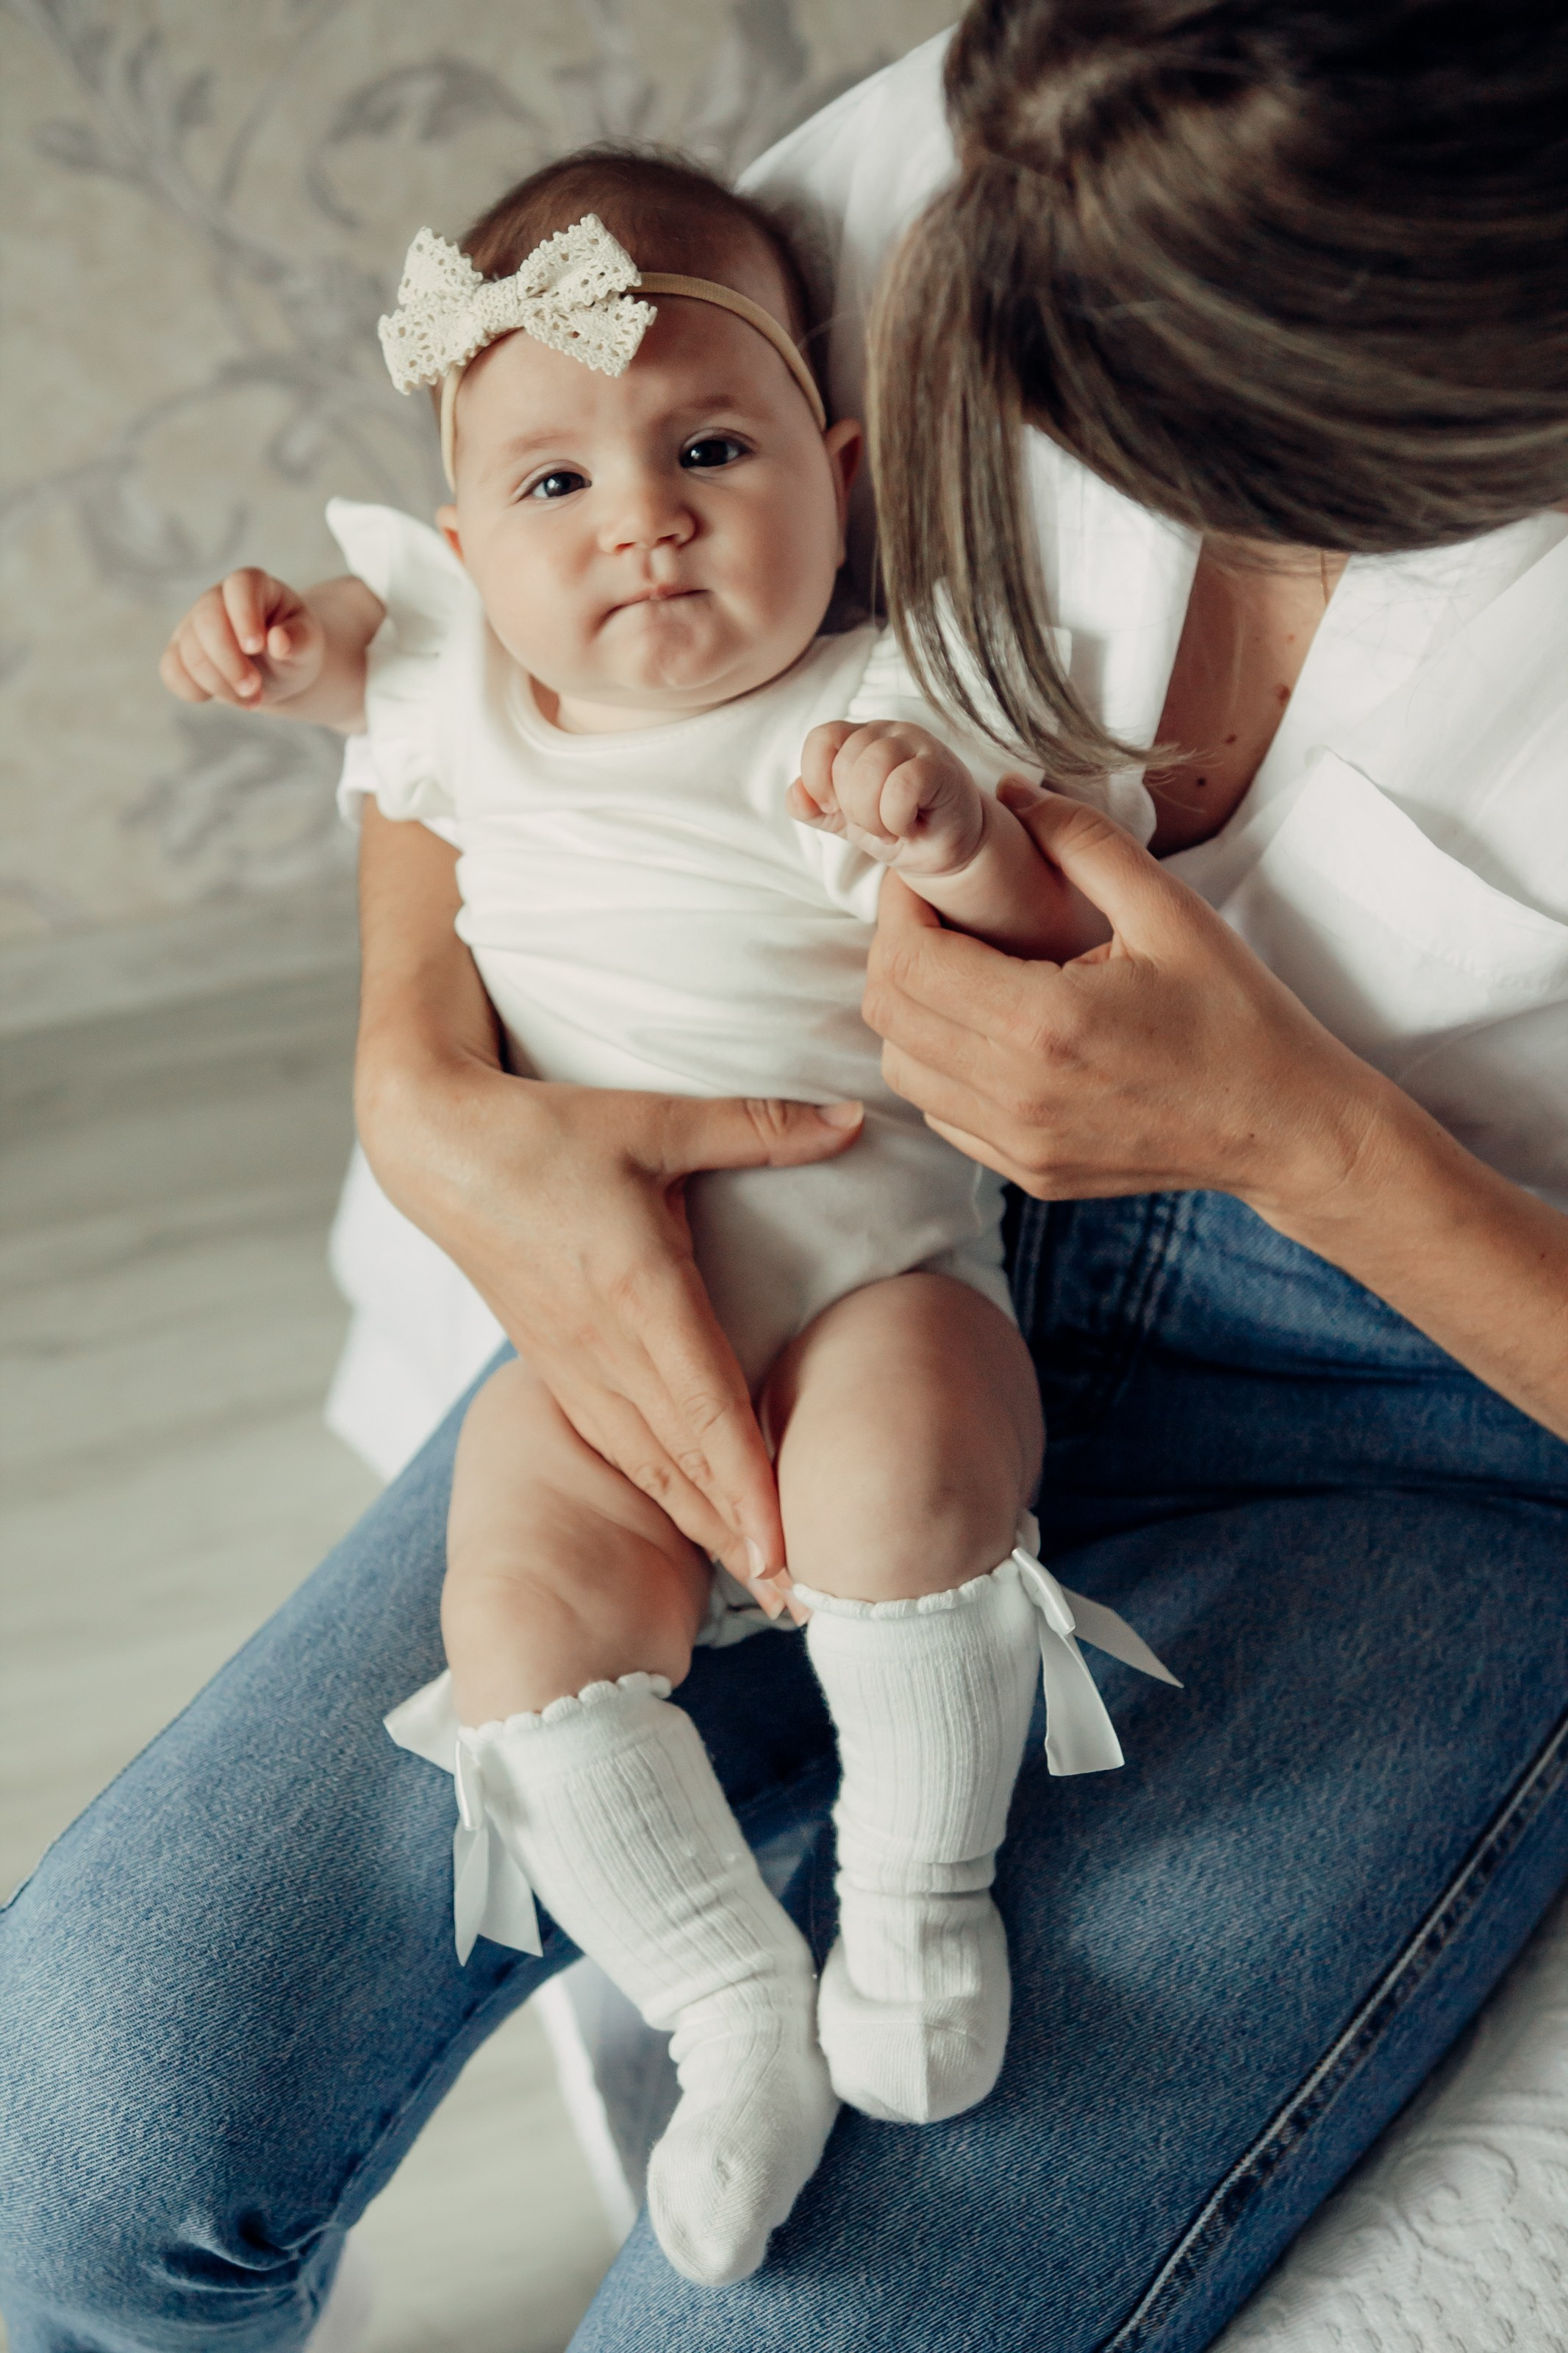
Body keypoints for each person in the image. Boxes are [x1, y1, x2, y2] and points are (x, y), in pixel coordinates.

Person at [2, 5, 1566, 2349]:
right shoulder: (1032, 140)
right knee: (90, 2112)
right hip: (816, 1218)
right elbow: (497, 686)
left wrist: (1302, 1142)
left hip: (1422, 1438)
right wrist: (428, 1082)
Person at [151, 148, 1174, 2288]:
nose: (644, 516)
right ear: (461, 552)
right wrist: (262, 642)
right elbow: (344, 652)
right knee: (517, 1629)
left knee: (905, 1479)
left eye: (711, 447)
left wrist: (952, 842)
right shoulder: (456, 696)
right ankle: (728, 2012)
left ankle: (912, 1900)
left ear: (835, 465)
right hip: (594, 1336)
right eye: (554, 488)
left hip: (874, 1270)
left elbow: (1053, 932)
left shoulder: (864, 713)